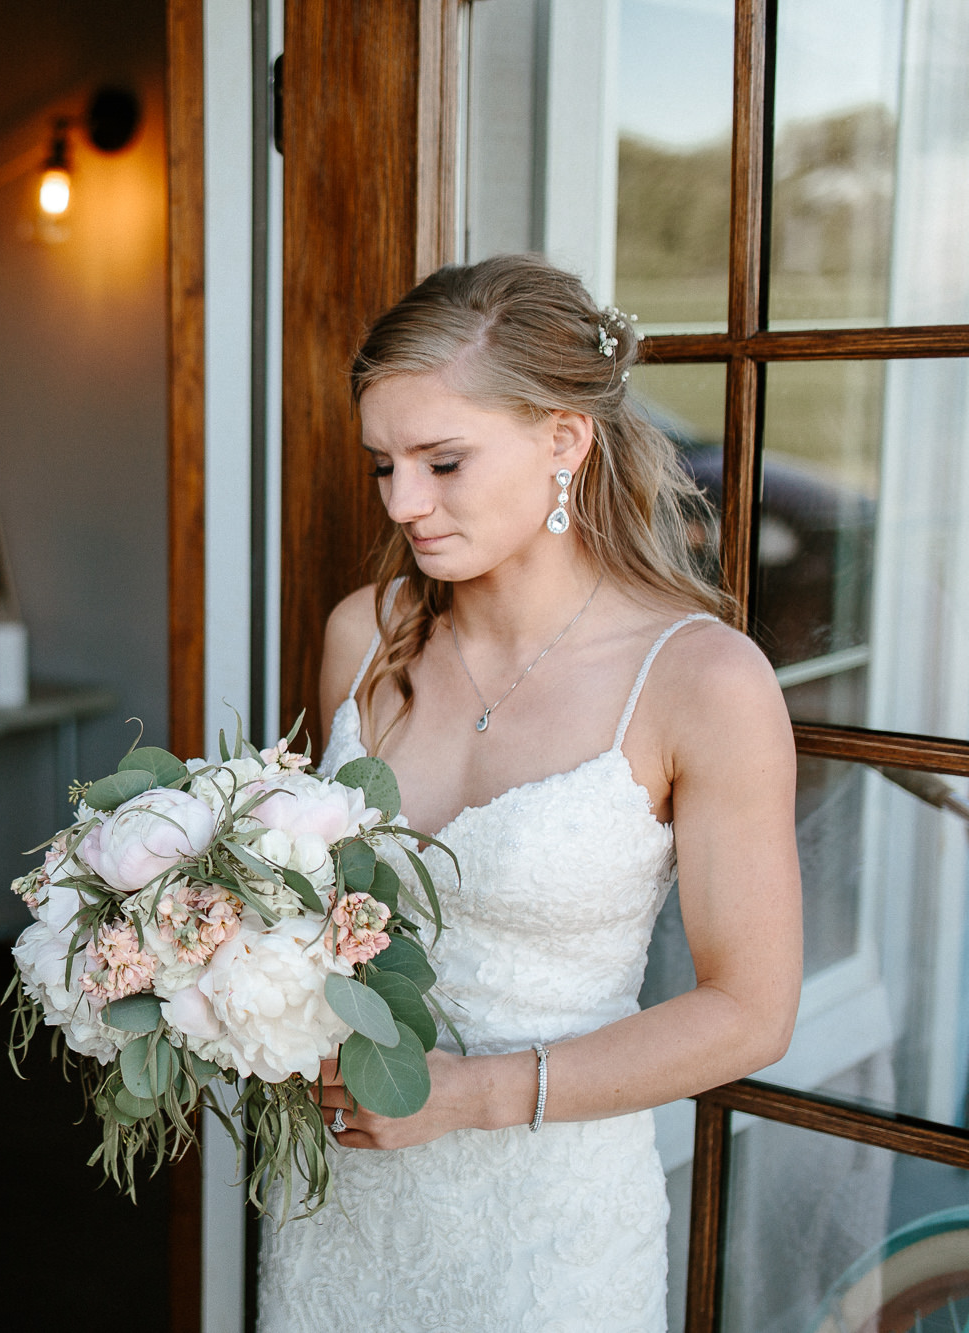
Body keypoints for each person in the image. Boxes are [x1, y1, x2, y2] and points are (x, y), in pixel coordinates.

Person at [258, 255, 803, 1330]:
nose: (403, 502)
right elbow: (325, 913)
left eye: (442, 461)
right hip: (343, 1205)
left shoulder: (699, 680)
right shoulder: (362, 637)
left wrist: (470, 1094)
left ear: (563, 439)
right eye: (383, 466)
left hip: (547, 1231)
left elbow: (750, 1012)